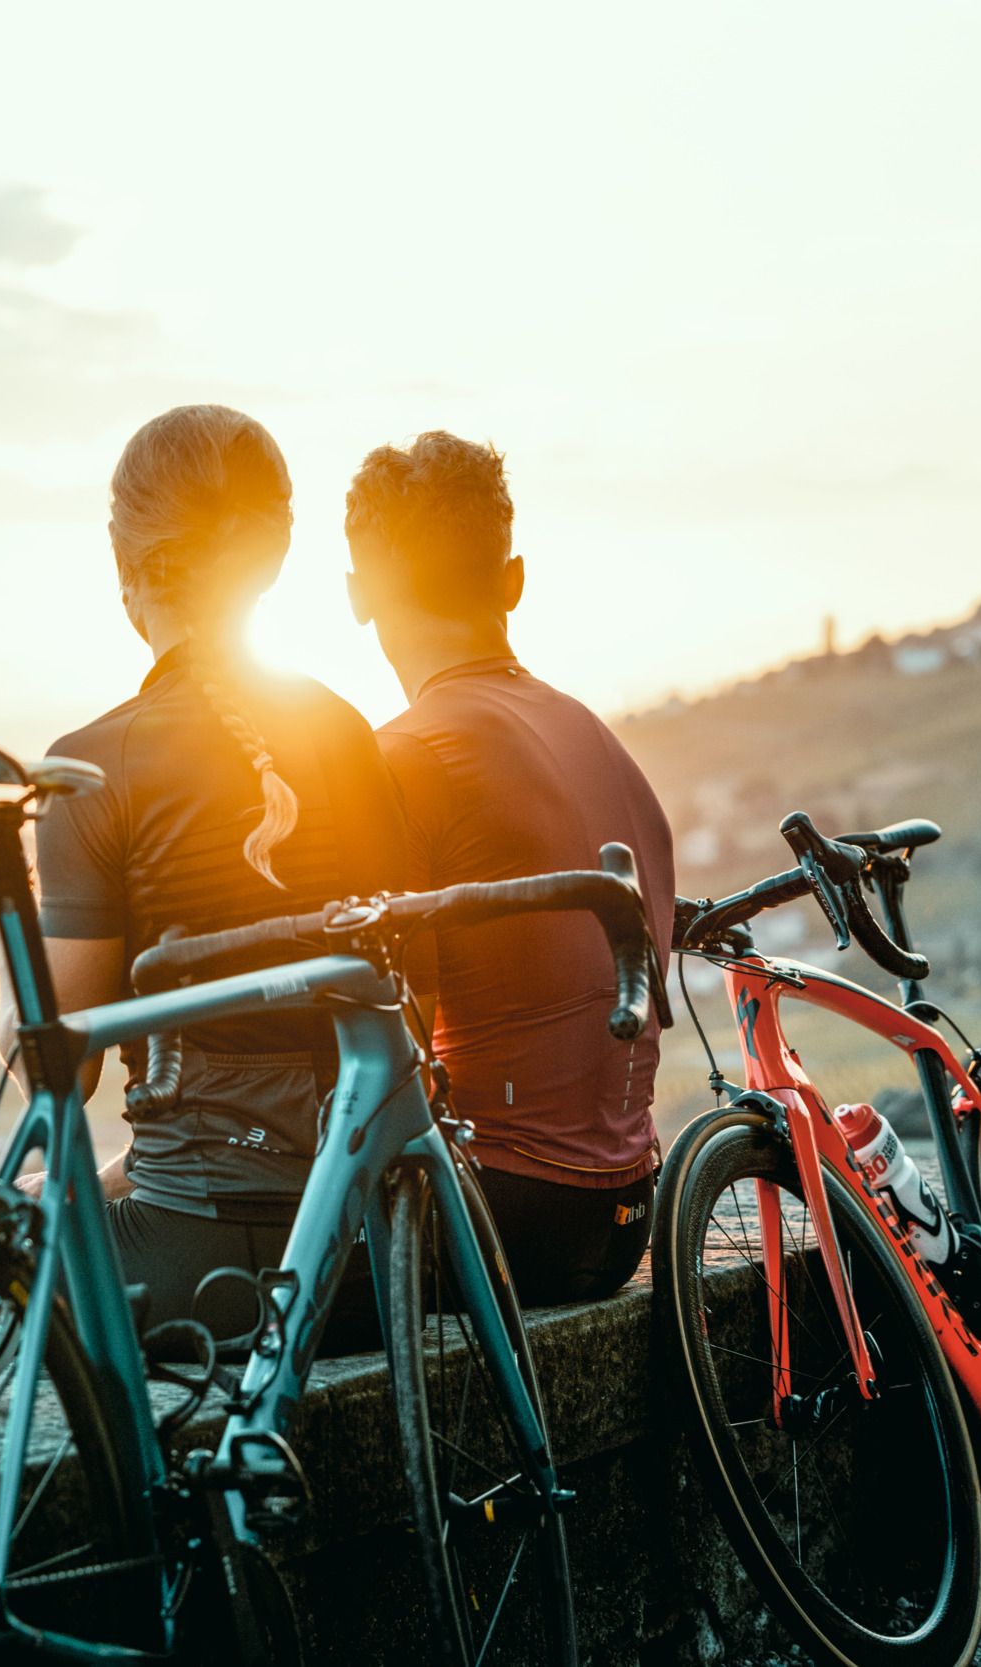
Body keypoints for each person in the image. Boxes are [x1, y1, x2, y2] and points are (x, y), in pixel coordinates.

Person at [2, 404, 412, 1348]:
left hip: (188, 1270)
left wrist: (4, 909)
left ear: (126, 571)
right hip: (365, 1260)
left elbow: (52, 1069)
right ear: (271, 557)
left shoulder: (92, 766)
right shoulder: (345, 733)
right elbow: (405, 999)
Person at [344, 430, 675, 1305]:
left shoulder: (401, 756)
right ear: (513, 580)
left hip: (496, 1219)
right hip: (627, 1217)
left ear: (359, 596)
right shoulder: (604, 744)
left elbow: (395, 1044)